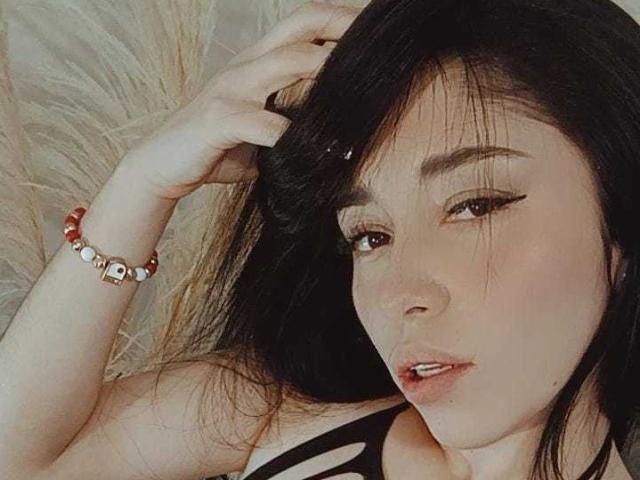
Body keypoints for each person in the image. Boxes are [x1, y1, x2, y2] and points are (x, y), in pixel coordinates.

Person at [0, 0, 638, 479]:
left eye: (474, 206)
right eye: (368, 235)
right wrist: (141, 185)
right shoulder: (276, 412)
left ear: (621, 228)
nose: (397, 295)